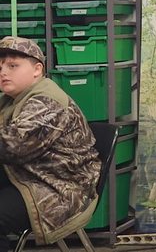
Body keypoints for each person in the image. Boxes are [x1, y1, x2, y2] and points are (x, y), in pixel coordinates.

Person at [0, 36, 100, 252]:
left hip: (58, 188)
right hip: (29, 174)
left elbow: (11, 147)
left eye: (13, 66)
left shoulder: (46, 101)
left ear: (37, 70)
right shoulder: (12, 98)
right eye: (0, 66)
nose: (3, 72)